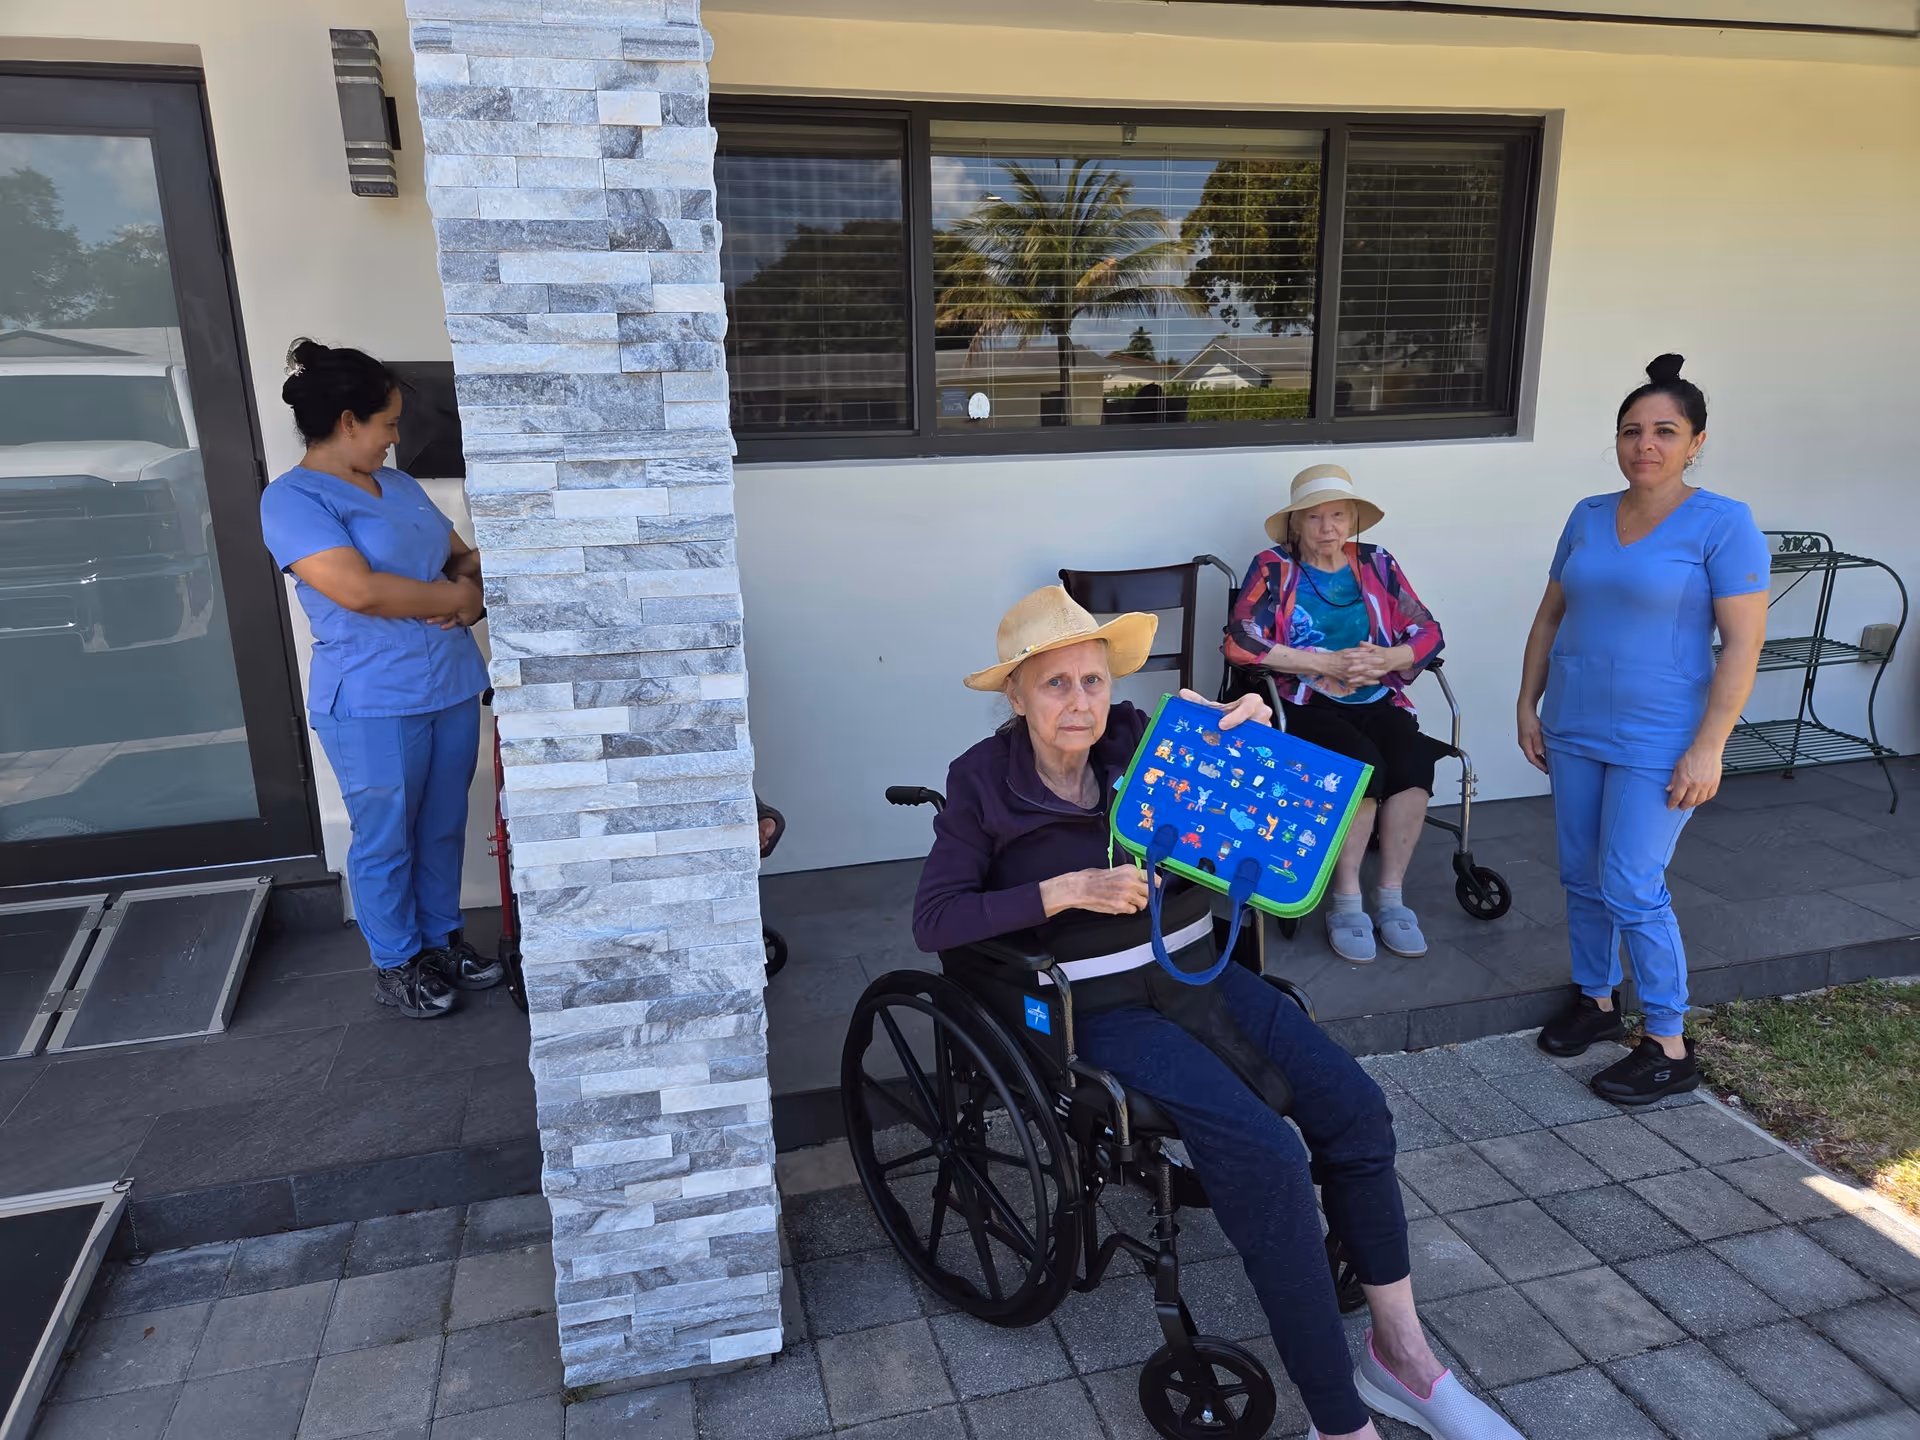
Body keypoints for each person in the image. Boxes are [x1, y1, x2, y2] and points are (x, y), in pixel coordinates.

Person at [915, 585, 1522, 1440]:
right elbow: (934, 920)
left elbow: (1255, 804)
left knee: (1354, 1108)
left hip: (1200, 969)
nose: (1080, 702)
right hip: (1098, 1006)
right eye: (1054, 685)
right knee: (1268, 1155)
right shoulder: (984, 782)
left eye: (1091, 680)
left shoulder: (1142, 735)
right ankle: (1340, 1424)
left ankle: (1404, 1358)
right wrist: (1067, 888)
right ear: (1016, 695)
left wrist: (1253, 738)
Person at [1517, 354, 1768, 1104]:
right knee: (1578, 873)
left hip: (1662, 736)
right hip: (1574, 721)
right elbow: (1549, 616)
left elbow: (1743, 647)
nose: (1645, 444)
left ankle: (1666, 1040)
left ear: (1696, 442)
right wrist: (1528, 704)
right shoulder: (1588, 515)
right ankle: (1596, 999)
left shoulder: (1724, 523)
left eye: (1665, 430)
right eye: (1632, 430)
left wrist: (1709, 746)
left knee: (1630, 880)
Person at [260, 339, 504, 1018]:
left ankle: (442, 939)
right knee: (386, 834)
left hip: (449, 684)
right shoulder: (293, 500)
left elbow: (461, 562)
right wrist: (456, 602)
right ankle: (397, 962)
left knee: (442, 825)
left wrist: (484, 581)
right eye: (389, 424)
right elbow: (358, 589)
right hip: (371, 698)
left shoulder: (396, 487)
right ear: (348, 421)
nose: (396, 440)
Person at [1224, 465, 1450, 965]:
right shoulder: (1272, 568)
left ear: (1352, 519)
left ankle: (1390, 896)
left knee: (1414, 764)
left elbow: (1427, 630)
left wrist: (1388, 659)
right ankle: (1346, 900)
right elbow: (1240, 641)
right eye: (1315, 517)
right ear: (1295, 524)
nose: (1328, 527)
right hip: (1301, 702)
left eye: (1338, 515)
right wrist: (1322, 661)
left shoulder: (1377, 563)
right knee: (1359, 767)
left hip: (1376, 695)